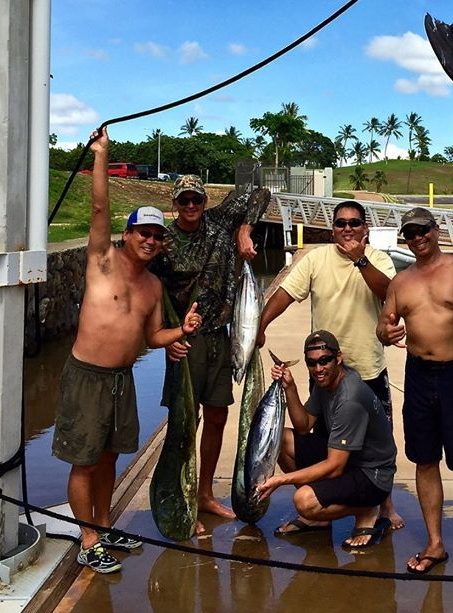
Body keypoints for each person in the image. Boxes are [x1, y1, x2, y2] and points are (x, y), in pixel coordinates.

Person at [52, 126, 202, 574]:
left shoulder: (154, 285)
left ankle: (104, 523)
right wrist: (102, 154)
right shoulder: (103, 260)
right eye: (143, 233)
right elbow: (100, 207)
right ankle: (89, 538)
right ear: (127, 233)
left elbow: (152, 338)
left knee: (110, 456)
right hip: (86, 376)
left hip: (122, 379)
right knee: (84, 459)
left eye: (157, 235)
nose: (151, 240)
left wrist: (182, 331)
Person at [256, 199, 403, 536]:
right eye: (341, 223)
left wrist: (358, 259)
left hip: (367, 371)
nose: (347, 229)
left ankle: (382, 505)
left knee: (373, 447)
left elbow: (389, 292)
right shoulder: (317, 259)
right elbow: (286, 294)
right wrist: (260, 325)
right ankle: (317, 511)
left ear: (365, 228)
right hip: (325, 371)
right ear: (332, 228)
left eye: (354, 223)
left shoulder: (378, 259)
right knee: (321, 440)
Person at [376, 207, 453, 579]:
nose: (417, 238)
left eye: (422, 230)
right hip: (419, 376)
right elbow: (384, 324)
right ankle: (435, 544)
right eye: (409, 234)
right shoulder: (400, 282)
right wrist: (387, 333)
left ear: (437, 229)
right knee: (424, 460)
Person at [152, 175, 270, 524]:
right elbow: (149, 290)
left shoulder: (219, 221)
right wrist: (165, 335)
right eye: (184, 200)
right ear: (175, 203)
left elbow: (259, 191)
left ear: (205, 201)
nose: (191, 206)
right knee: (185, 419)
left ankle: (204, 494)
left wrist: (245, 229)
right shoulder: (164, 241)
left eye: (196, 200)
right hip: (186, 342)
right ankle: (181, 492)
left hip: (222, 334)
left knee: (218, 415)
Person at [257, 330, 397, 550]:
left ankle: (367, 509)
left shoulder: (349, 397)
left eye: (325, 360)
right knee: (282, 439)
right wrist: (290, 388)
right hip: (348, 459)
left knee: (303, 501)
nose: (318, 369)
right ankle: (319, 516)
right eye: (312, 363)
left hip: (372, 474)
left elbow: (334, 467)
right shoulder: (326, 383)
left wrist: (280, 481)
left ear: (338, 358)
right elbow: (303, 426)